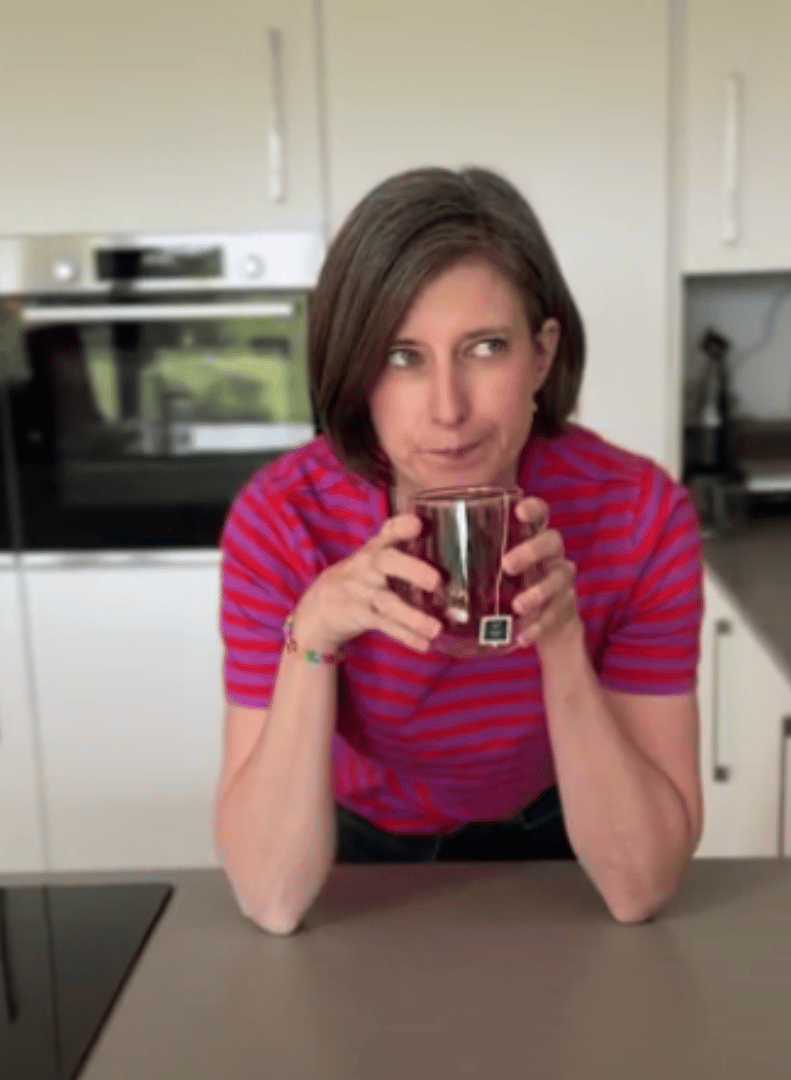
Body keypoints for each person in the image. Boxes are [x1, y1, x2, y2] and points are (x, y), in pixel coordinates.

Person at [213, 167, 704, 934]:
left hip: (562, 837)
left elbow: (640, 887)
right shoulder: (283, 521)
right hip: (354, 850)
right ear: (356, 373)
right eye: (402, 357)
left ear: (541, 356)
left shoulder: (638, 515)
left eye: (484, 347)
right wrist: (312, 636)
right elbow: (271, 899)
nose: (448, 410)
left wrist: (563, 638)